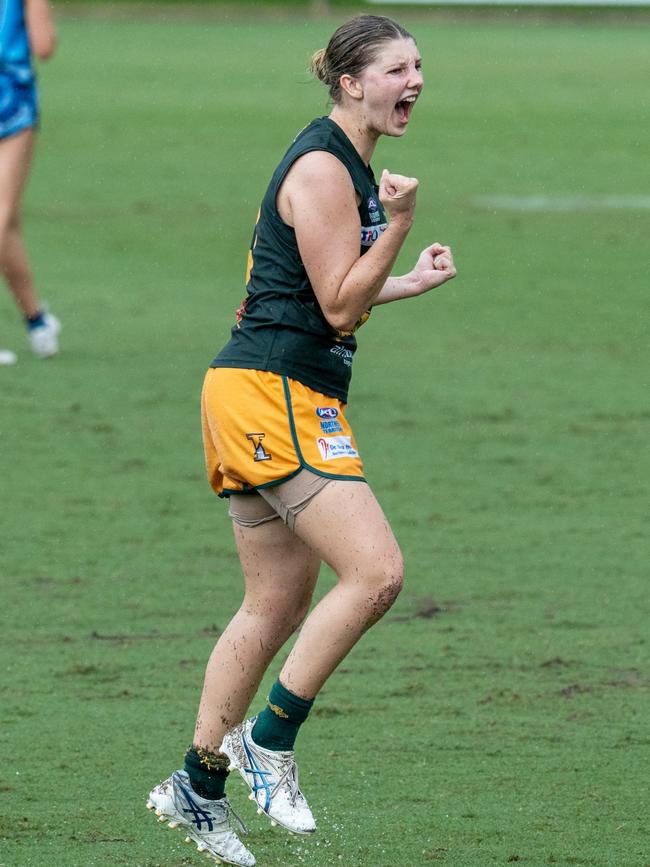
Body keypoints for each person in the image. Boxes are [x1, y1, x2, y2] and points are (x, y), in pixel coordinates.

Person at [147, 14, 456, 866]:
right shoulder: (325, 166)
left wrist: (407, 280)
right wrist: (397, 224)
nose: (417, 80)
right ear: (353, 81)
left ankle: (197, 783)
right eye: (399, 67)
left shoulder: (342, 163)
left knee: (276, 602)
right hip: (271, 391)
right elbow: (335, 306)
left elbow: (325, 286)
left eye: (421, 64)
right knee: (378, 571)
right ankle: (266, 742)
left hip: (261, 387)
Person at [0, 0, 60, 365]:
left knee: (5, 221)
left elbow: (41, 45)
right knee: (4, 220)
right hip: (12, 101)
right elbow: (45, 44)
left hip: (12, 105)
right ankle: (37, 322)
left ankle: (38, 322)